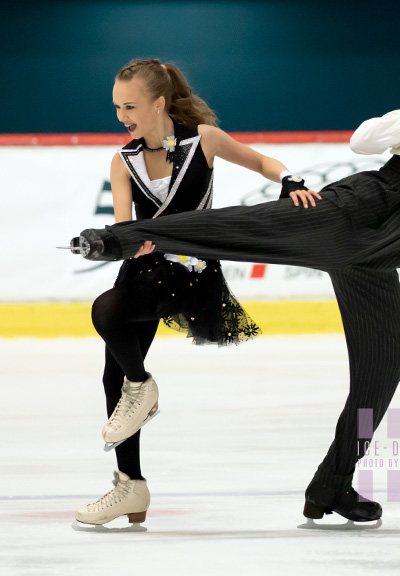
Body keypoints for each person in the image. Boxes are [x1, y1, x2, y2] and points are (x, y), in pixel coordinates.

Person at [70, 32, 400, 525]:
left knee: (389, 361)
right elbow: (362, 140)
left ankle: (332, 485)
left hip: (382, 255)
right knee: (253, 226)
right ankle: (118, 239)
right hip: (360, 211)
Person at [74, 58, 320, 528]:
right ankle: (131, 484)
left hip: (190, 273)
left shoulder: (202, 140)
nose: (122, 116)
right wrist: (120, 242)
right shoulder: (122, 161)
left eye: (130, 106)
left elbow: (260, 159)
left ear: (158, 103)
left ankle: (142, 387)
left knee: (106, 314)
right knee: (112, 371)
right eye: (117, 107)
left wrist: (289, 179)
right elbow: (126, 227)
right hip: (144, 273)